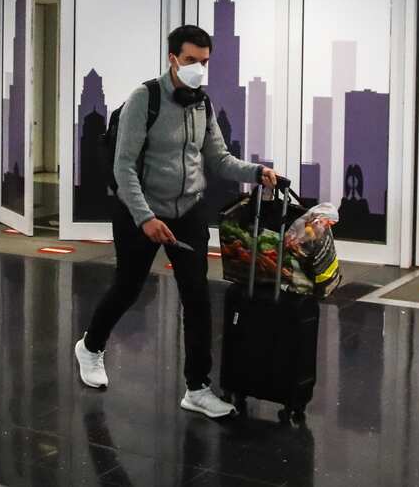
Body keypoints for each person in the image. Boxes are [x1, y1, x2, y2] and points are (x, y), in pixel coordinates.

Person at [74, 24, 277, 418]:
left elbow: (218, 159)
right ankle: (91, 347)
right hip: (140, 210)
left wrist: (256, 172)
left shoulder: (203, 104)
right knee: (128, 288)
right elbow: (123, 168)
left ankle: (197, 388)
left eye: (204, 62)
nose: (198, 69)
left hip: (188, 211)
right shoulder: (144, 99)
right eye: (190, 61)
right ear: (172, 59)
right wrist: (145, 217)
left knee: (197, 298)